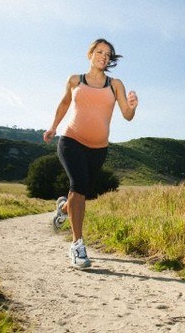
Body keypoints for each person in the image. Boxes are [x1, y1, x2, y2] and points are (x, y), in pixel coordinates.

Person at [43, 38, 138, 269]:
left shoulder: (115, 84)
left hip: (98, 149)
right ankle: (77, 245)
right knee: (78, 184)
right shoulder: (75, 80)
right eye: (99, 52)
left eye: (108, 55)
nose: (103, 57)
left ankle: (64, 208)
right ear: (90, 54)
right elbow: (64, 103)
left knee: (81, 190)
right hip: (71, 140)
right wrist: (53, 126)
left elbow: (127, 115)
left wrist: (133, 106)